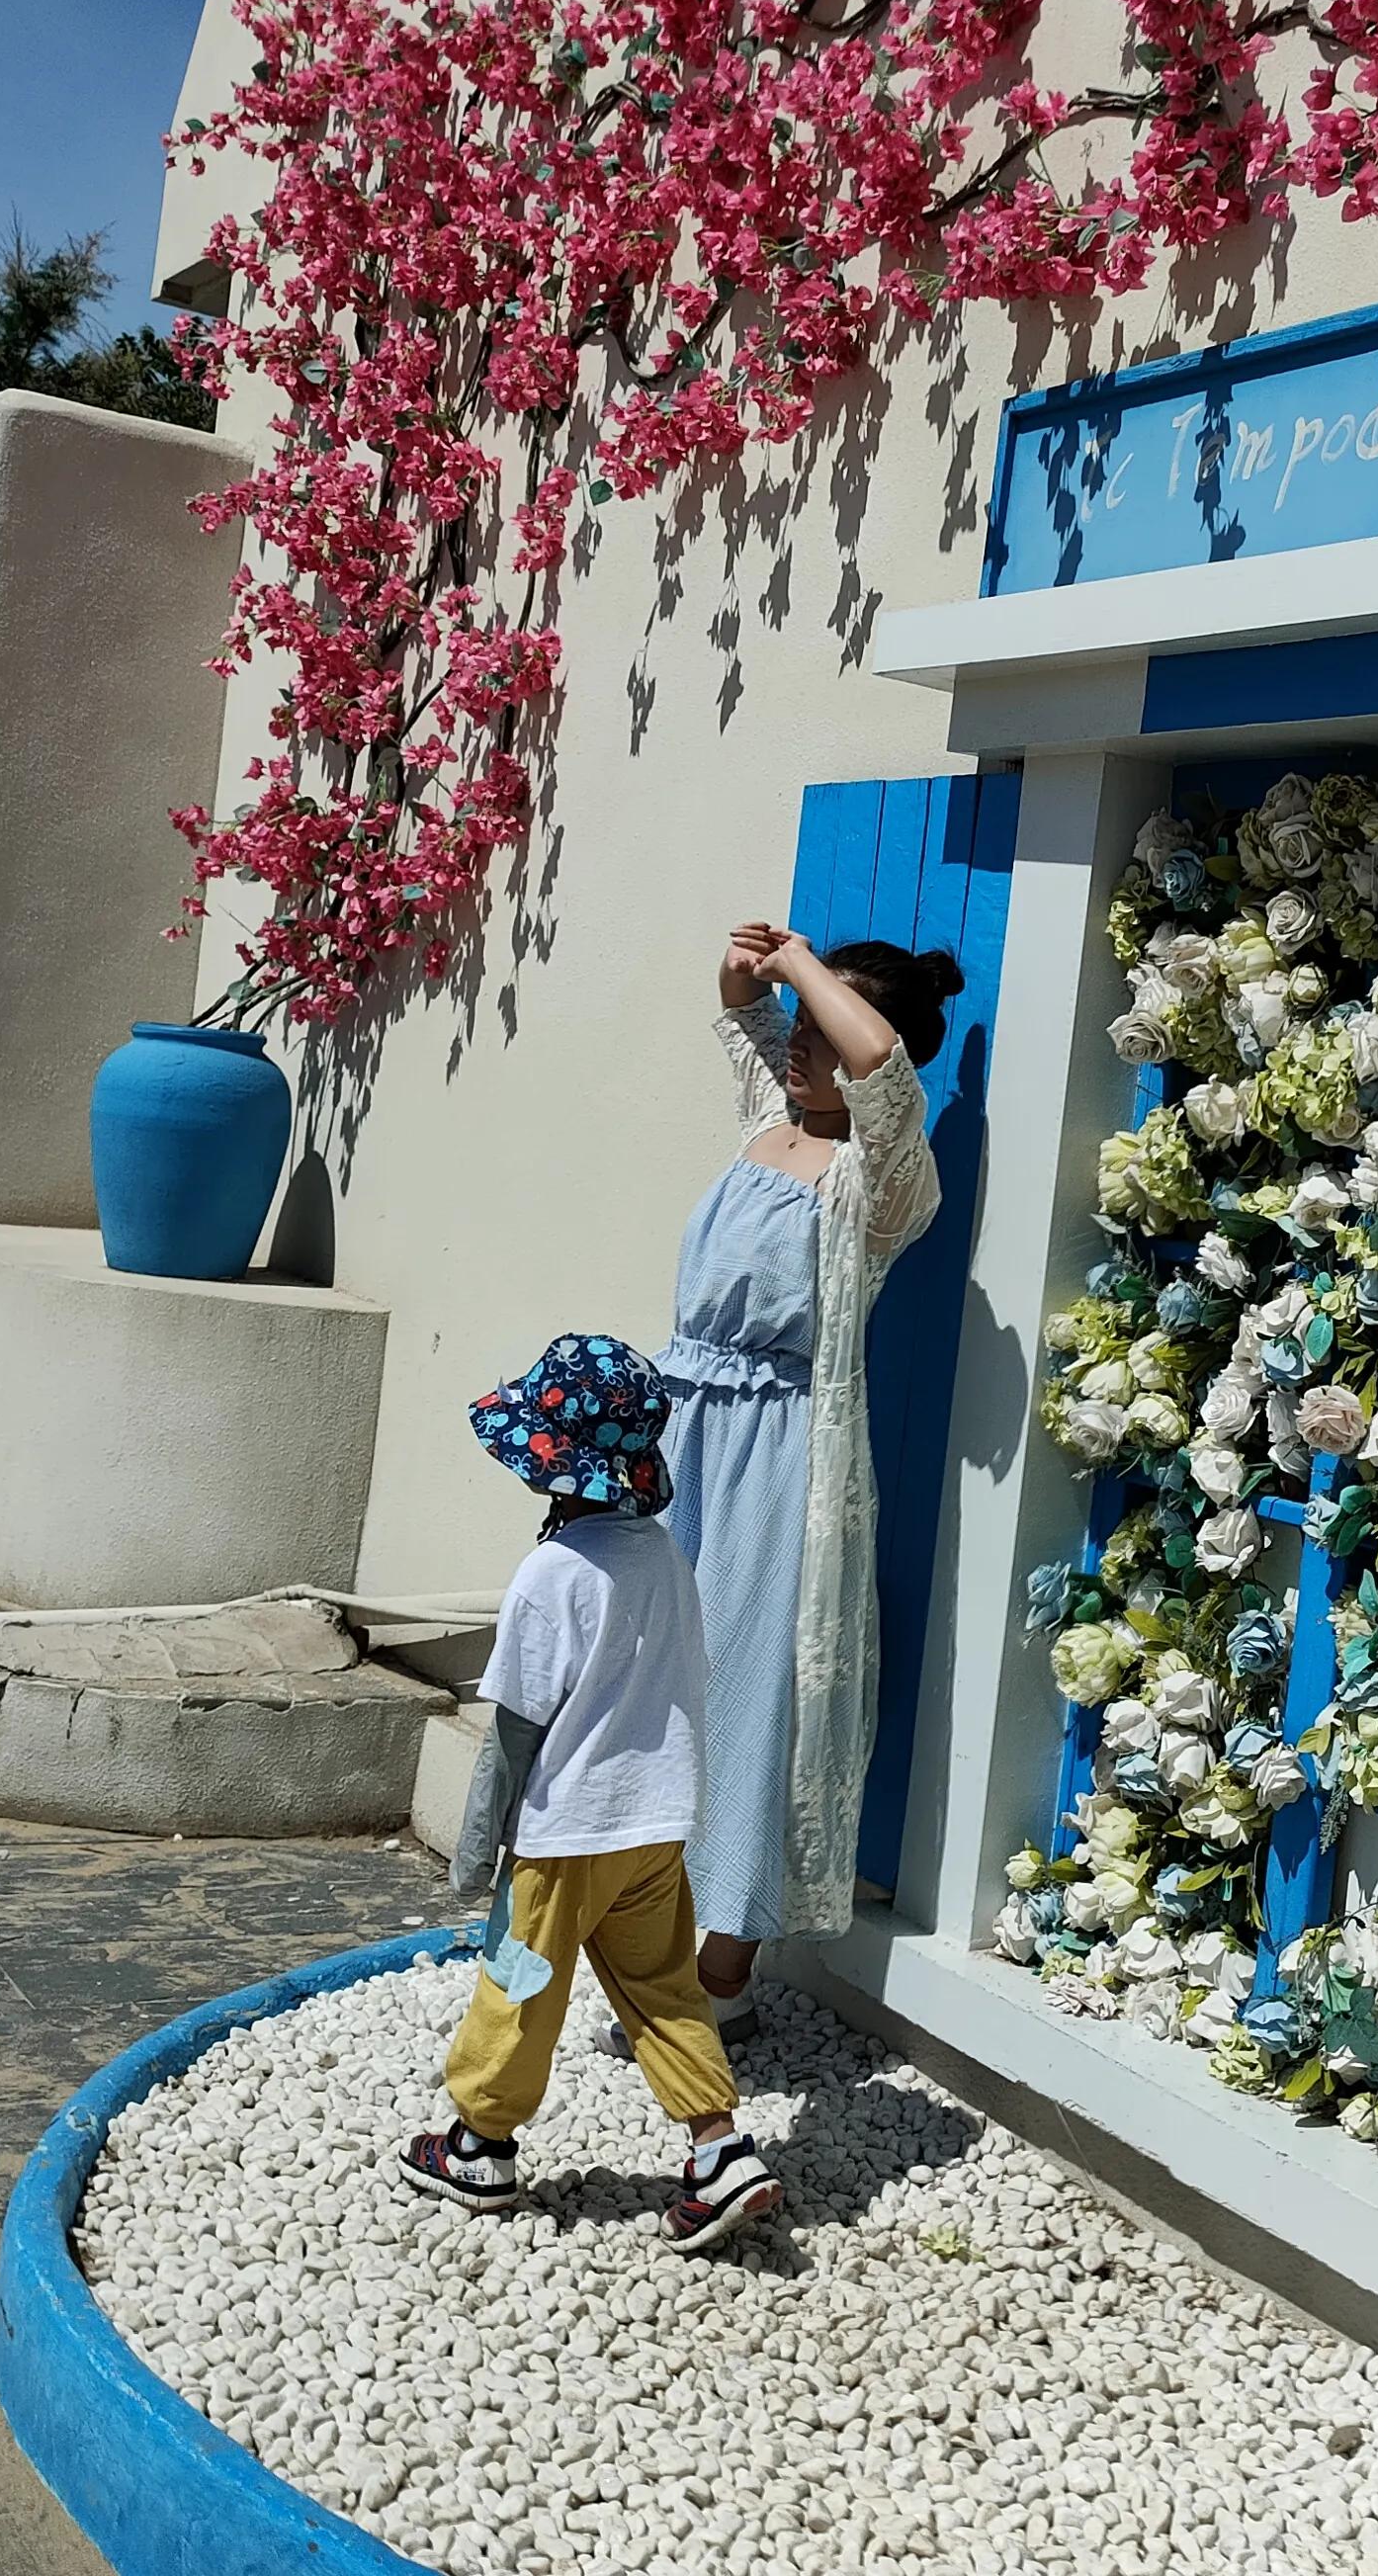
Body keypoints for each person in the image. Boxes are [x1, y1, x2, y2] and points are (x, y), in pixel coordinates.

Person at [406, 1332, 789, 2254]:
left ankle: (479, 2142)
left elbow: (514, 1731)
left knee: (522, 1982)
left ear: (553, 1465)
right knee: (662, 1990)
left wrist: (475, 1852)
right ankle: (719, 2148)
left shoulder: (553, 1573)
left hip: (566, 1837)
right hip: (655, 1831)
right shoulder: (661, 1557)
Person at [660, 924, 958, 2005]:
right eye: (796, 1036)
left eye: (815, 1035)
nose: (799, 1051)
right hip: (679, 1429)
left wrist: (802, 967)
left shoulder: (881, 1178)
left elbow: (879, 1069)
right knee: (651, 1674)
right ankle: (631, 1923)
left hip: (781, 1451)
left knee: (750, 1688)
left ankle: (722, 1969)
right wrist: (761, 968)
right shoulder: (761, 1124)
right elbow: (736, 1001)